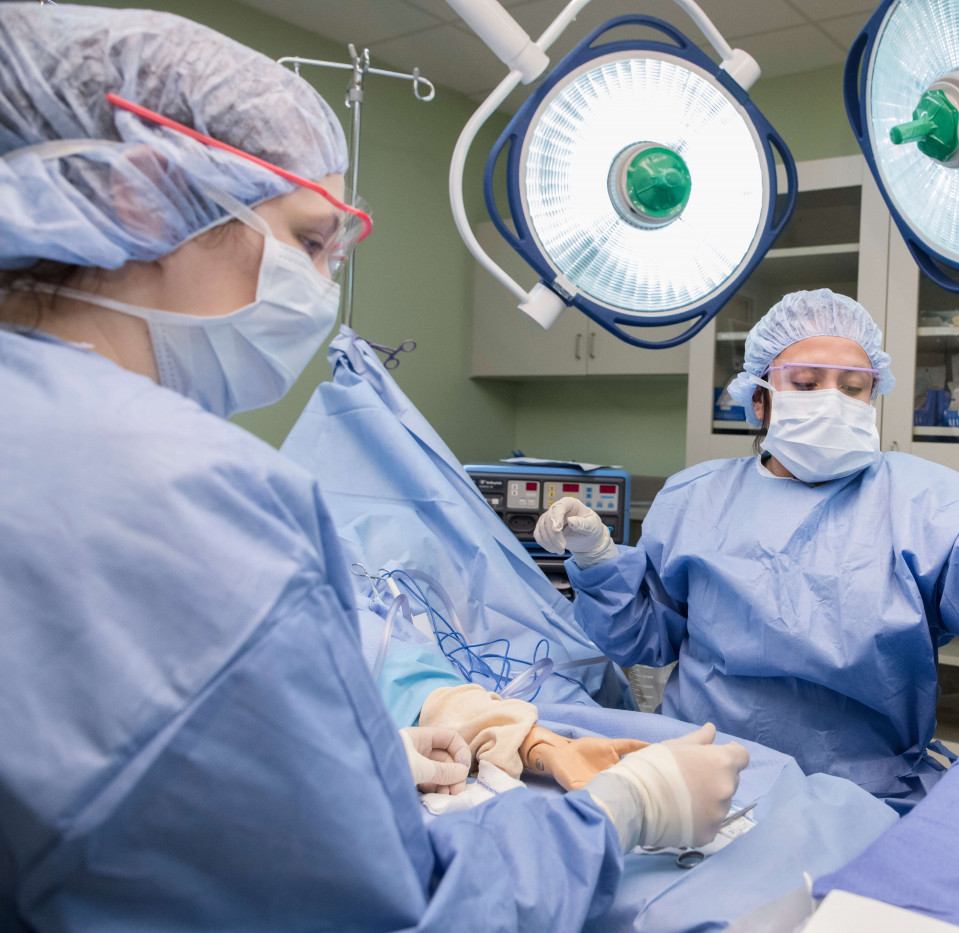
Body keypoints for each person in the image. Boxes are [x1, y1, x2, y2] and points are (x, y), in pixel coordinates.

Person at [0, 7, 747, 930]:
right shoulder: (183, 501)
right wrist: (621, 813)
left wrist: (359, 762)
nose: (319, 288)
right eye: (310, 241)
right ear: (141, 197)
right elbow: (396, 913)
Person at [536, 288, 959, 808]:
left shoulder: (916, 499)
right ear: (760, 400)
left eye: (854, 388)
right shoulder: (696, 498)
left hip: (863, 793)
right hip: (699, 772)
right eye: (805, 382)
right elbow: (647, 638)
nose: (832, 400)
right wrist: (596, 558)